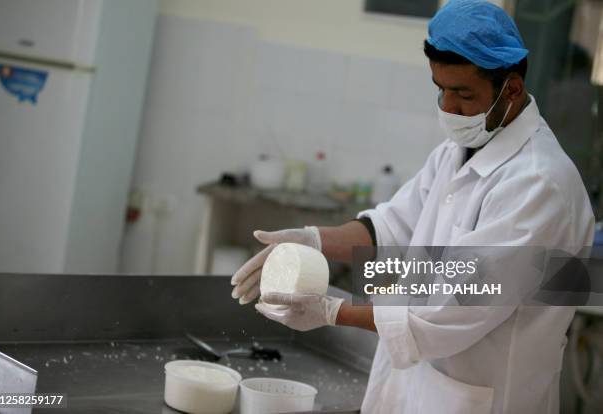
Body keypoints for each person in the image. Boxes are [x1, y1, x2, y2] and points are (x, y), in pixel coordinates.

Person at [231, 0, 595, 412]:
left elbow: (448, 310)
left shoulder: (539, 185)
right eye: (440, 89)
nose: (448, 107)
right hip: (419, 388)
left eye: (463, 94)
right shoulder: (459, 150)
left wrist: (331, 310)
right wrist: (312, 240)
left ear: (511, 88)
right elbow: (391, 228)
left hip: (486, 397)